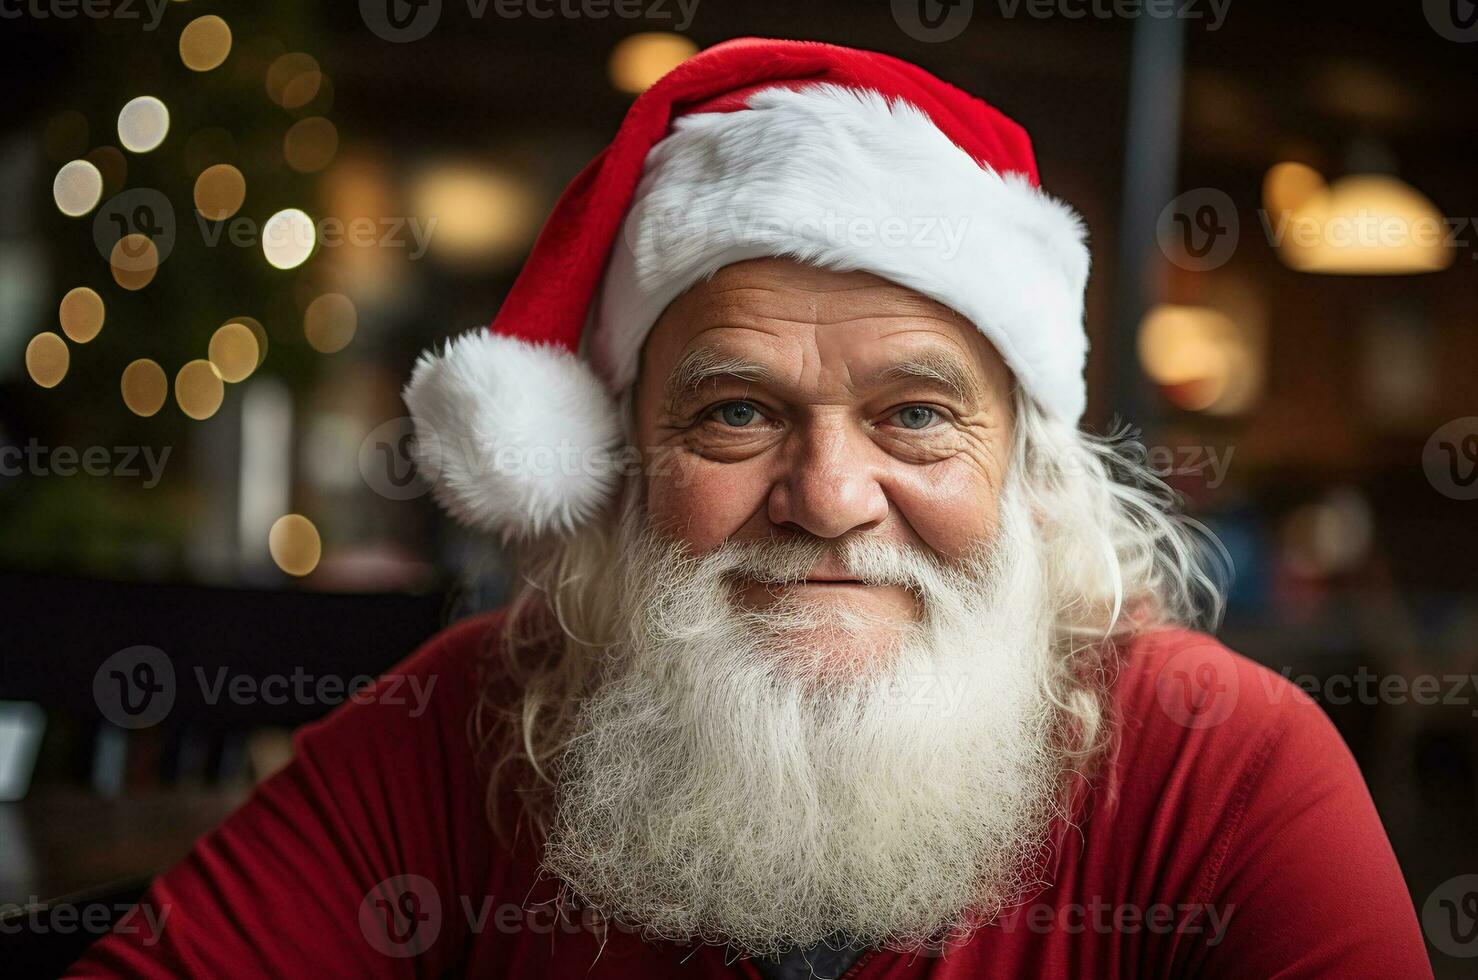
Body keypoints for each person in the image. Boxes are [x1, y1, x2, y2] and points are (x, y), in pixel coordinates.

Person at [70, 38, 1431, 979]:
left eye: (913, 415)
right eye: (736, 413)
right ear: (623, 457)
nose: (830, 499)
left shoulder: (1220, 763)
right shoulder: (464, 724)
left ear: (1023, 467)